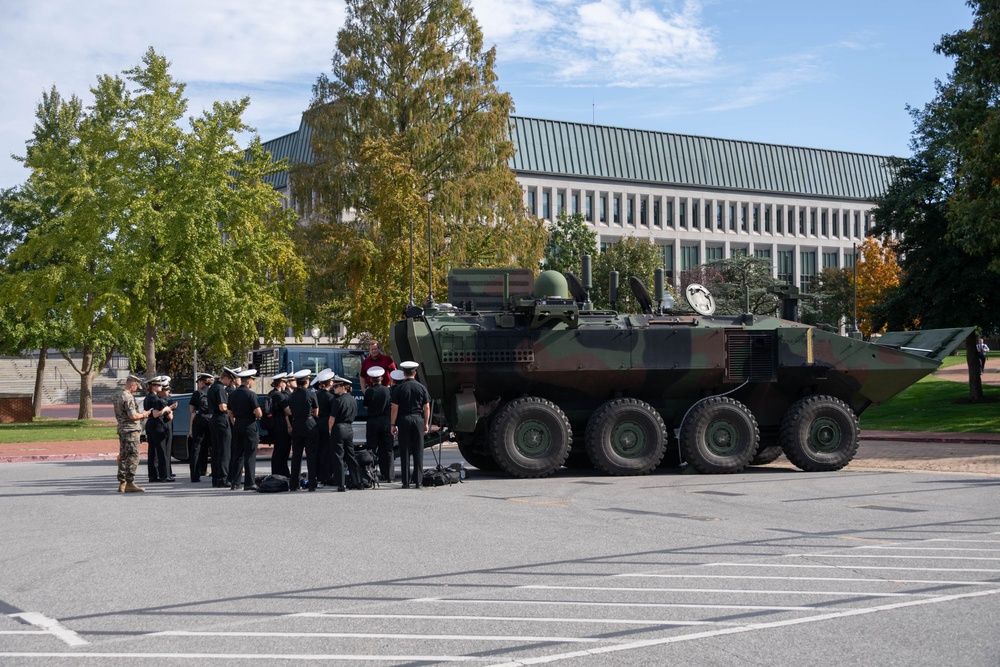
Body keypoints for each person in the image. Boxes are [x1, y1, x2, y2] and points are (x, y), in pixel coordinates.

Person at [390, 361, 431, 489]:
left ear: (403, 373)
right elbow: (427, 407)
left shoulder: (399, 388)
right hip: (418, 419)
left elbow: (394, 408)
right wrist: (426, 423)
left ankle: (405, 482)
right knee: (418, 450)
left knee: (405, 450)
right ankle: (418, 481)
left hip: (404, 420)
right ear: (415, 373)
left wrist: (392, 424)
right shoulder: (421, 387)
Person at [112, 374, 151, 493]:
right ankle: (130, 482)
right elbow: (133, 416)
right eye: (136, 387)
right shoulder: (128, 397)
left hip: (122, 429)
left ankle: (122, 482)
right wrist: (144, 415)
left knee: (123, 456)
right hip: (131, 430)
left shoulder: (117, 395)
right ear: (132, 385)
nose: (136, 389)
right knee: (133, 456)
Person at [228, 368, 263, 490]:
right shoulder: (251, 394)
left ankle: (235, 482)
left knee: (237, 454)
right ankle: (249, 483)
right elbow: (259, 413)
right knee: (250, 455)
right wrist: (252, 415)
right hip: (249, 425)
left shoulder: (232, 394)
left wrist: (236, 420)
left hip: (237, 425)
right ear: (248, 381)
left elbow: (230, 412)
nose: (253, 382)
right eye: (253, 380)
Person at [286, 369, 319, 491]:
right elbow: (316, 412)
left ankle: (294, 484)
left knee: (296, 455)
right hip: (309, 423)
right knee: (311, 454)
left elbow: (290, 410)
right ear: (307, 381)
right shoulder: (311, 394)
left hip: (297, 424)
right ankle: (312, 483)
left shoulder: (292, 395)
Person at [144, 376, 177, 483]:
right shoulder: (156, 399)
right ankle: (164, 475)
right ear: (152, 386)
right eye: (158, 385)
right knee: (162, 451)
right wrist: (169, 408)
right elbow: (157, 414)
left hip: (150, 425)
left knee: (152, 451)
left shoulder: (148, 397)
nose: (160, 387)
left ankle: (153, 475)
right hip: (158, 425)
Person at [364, 366, 394, 483]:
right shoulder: (388, 390)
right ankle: (389, 475)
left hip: (373, 421)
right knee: (387, 449)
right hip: (386, 421)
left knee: (371, 448)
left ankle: (370, 473)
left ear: (371, 380)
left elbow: (366, 405)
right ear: (381, 378)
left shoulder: (369, 391)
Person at [208, 367, 236, 488]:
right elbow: (222, 407)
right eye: (230, 380)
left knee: (216, 451)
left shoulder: (213, 387)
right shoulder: (220, 388)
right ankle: (223, 478)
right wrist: (233, 410)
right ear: (226, 378)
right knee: (225, 450)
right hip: (221, 419)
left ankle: (216, 477)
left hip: (214, 419)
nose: (230, 383)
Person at [332, 375, 361, 490]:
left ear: (343, 387)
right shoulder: (353, 399)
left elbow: (331, 419)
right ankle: (358, 481)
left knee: (338, 456)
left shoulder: (338, 400)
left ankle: (341, 484)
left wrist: (330, 430)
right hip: (349, 428)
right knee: (351, 455)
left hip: (339, 428)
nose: (334, 388)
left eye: (336, 386)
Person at [312, 369, 337, 486]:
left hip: (316, 424)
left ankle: (317, 474)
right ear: (330, 383)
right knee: (327, 451)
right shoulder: (331, 397)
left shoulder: (315, 395)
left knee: (318, 450)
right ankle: (326, 475)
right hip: (327, 424)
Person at [188, 372, 214, 482]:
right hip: (212, 420)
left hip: (199, 421)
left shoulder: (197, 393)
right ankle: (216, 472)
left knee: (196, 447)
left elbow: (191, 410)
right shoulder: (214, 392)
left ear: (202, 382)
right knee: (213, 447)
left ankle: (195, 474)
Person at [268, 372, 292, 477]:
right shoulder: (279, 395)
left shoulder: (271, 393)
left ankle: (279, 472)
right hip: (280, 424)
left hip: (275, 424)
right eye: (285, 382)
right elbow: (288, 411)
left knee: (279, 449)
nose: (286, 384)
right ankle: (281, 472)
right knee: (282, 449)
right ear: (281, 383)